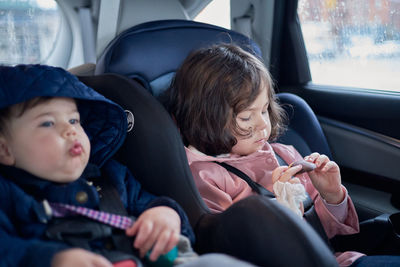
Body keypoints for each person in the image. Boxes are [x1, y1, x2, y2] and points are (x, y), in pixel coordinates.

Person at [164, 44, 400, 267]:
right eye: (247, 117)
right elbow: (228, 252)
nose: (263, 125)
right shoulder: (204, 177)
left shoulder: (284, 154)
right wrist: (283, 216)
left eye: (265, 109)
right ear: (207, 118)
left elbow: (331, 235)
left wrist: (331, 196)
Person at [0, 64, 256, 267]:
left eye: (74, 120)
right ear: (5, 149)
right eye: (47, 123)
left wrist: (166, 215)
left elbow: (153, 204)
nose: (70, 131)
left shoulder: (112, 178)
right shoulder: (9, 196)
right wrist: (51, 260)